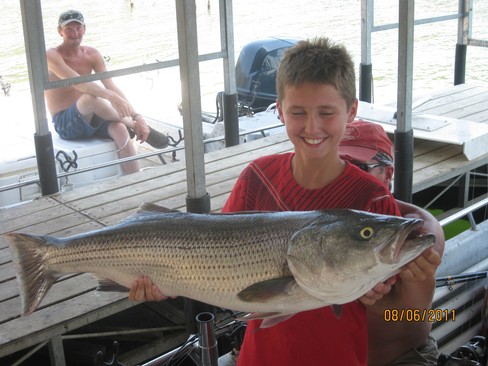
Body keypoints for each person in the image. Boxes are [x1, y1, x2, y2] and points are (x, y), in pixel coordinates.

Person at [129, 37, 440, 365]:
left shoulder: (373, 201)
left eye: (326, 112)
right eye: (298, 112)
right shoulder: (256, 178)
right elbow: (212, 258)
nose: (312, 126)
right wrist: (166, 280)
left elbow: (401, 318)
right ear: (279, 111)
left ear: (351, 111)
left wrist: (410, 288)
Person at [339, 120, 445, 366]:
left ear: (387, 174)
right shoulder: (320, 220)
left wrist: (374, 299)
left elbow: (411, 315)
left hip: (399, 359)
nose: (346, 176)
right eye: (338, 166)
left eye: (357, 167)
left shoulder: (417, 230)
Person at [45, 10, 169, 175]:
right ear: (60, 31)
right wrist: (112, 98)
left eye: (78, 28)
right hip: (65, 123)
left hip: (93, 116)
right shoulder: (51, 55)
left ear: (84, 29)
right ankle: (132, 125)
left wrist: (137, 116)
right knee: (90, 97)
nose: (74, 33)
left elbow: (111, 86)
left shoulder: (92, 54)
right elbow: (77, 82)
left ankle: (135, 179)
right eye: (69, 29)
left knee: (119, 128)